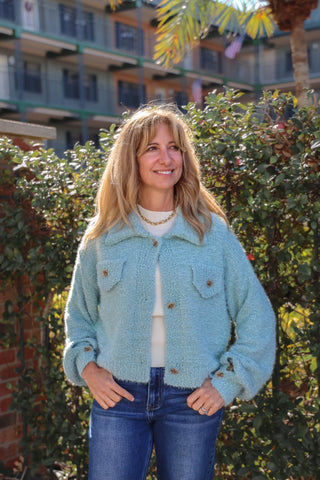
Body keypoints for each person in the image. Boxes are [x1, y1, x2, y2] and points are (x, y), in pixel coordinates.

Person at [63, 104, 275, 480]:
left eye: (174, 147)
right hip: (118, 396)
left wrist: (228, 382)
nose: (166, 158)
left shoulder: (212, 234)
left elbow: (256, 314)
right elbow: (78, 317)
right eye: (152, 148)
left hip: (190, 398)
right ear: (132, 160)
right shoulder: (103, 236)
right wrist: (88, 369)